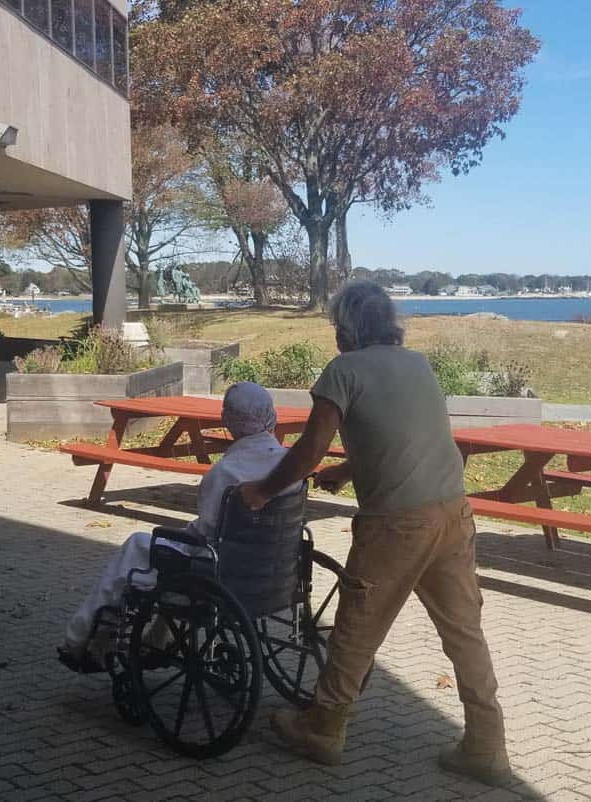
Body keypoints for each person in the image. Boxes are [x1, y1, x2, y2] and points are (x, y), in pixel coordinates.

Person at [240, 282, 510, 786]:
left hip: (396, 525)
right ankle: (486, 744)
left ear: (346, 328)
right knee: (464, 632)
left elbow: (307, 452)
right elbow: (406, 437)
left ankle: (323, 728)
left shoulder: (343, 371)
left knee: (356, 627)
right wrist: (347, 473)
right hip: (453, 512)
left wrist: (261, 490)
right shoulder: (418, 364)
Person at [58, 382, 299, 672]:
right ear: (271, 415)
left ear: (227, 421)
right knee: (173, 550)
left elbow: (208, 527)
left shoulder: (226, 472)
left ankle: (79, 639)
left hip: (221, 570)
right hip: (273, 565)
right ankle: (160, 638)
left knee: (139, 545)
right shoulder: (291, 465)